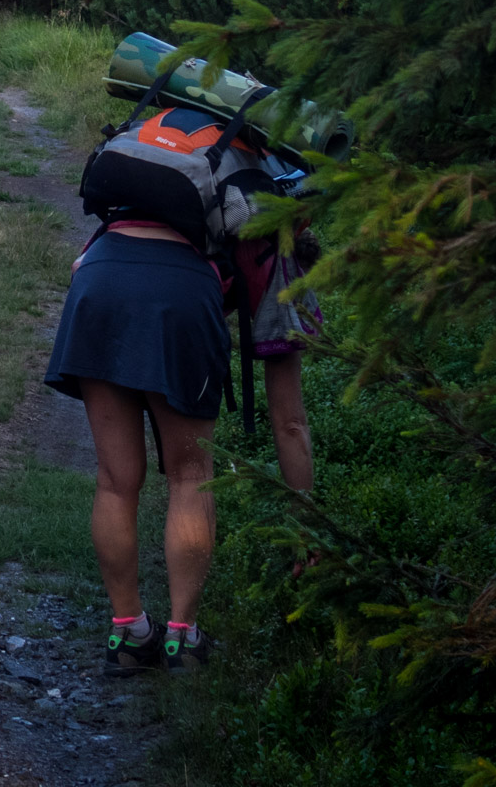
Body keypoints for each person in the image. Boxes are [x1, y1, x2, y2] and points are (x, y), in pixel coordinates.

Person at [43, 213, 316, 676]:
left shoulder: (157, 190)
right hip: (179, 296)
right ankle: (182, 639)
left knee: (115, 478)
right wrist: (306, 526)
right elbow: (289, 422)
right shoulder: (277, 256)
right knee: (191, 475)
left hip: (99, 278)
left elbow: (81, 261)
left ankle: (127, 632)